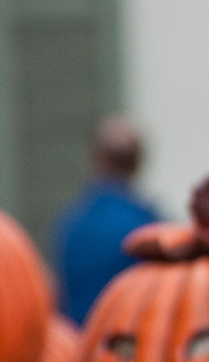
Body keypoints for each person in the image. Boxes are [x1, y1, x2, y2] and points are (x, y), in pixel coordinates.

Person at [49, 116, 157, 324]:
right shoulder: (149, 225)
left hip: (77, 345)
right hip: (131, 344)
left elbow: (59, 296)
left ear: (95, 160)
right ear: (138, 164)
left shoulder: (70, 224)